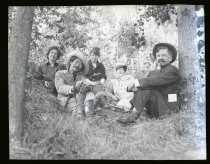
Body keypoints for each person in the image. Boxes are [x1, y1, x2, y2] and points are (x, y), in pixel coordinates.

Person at [117, 43, 181, 124]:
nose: (160, 58)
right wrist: (133, 88)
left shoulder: (172, 70)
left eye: (164, 55)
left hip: (168, 108)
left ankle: (133, 117)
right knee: (142, 87)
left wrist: (135, 82)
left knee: (144, 87)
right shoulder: (155, 72)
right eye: (158, 56)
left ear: (170, 58)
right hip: (156, 107)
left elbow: (156, 81)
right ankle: (132, 110)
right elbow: (147, 81)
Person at [55, 51, 96, 117]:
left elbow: (86, 83)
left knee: (89, 98)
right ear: (71, 62)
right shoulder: (60, 73)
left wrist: (88, 87)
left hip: (79, 98)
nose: (77, 65)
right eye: (76, 62)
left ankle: (88, 114)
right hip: (66, 98)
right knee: (77, 112)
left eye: (80, 64)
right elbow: (60, 87)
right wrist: (73, 88)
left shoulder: (81, 75)